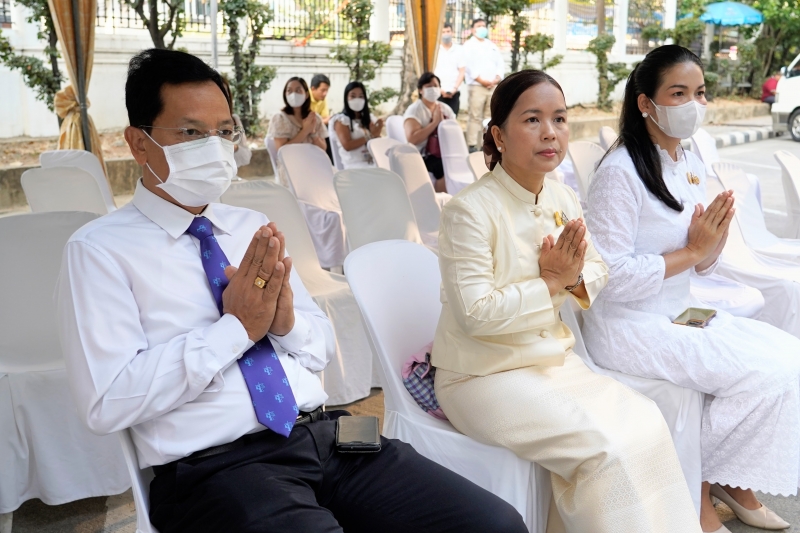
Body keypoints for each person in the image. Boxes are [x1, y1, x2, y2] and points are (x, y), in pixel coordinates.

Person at [56, 48, 530, 533]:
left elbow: (321, 347)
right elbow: (107, 400)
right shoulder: (100, 251)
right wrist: (234, 330)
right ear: (138, 143)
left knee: (495, 523)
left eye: (224, 132)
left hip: (331, 434)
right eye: (191, 133)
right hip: (220, 466)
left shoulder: (251, 226)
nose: (215, 148)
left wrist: (285, 324)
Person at [432, 69, 702, 533]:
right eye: (532, 119)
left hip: (554, 362)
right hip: (482, 375)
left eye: (559, 119)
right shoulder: (468, 212)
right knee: (605, 450)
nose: (550, 132)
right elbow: (476, 315)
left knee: (647, 423)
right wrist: (552, 285)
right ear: (498, 134)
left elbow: (598, 272)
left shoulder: (562, 196)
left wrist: (570, 280)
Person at [583, 45, 799, 533]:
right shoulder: (620, 172)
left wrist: (713, 242)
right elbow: (609, 279)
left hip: (679, 311)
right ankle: (700, 491)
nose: (692, 105)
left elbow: (700, 261)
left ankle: (727, 476)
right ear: (645, 103)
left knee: (791, 360)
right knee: (761, 374)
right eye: (677, 93)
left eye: (699, 93)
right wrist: (693, 253)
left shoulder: (688, 158)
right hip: (630, 324)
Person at [403, 72, 455, 193]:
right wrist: (434, 123)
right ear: (420, 90)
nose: (433, 89)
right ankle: (440, 202)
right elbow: (412, 139)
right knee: (442, 167)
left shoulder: (445, 108)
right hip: (422, 155)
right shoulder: (415, 110)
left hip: (444, 152)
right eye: (428, 86)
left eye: (436, 86)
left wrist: (444, 126)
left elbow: (454, 134)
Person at [462, 18, 504, 152]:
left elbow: (500, 64)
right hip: (477, 86)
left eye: (483, 26)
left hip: (492, 87)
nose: (482, 28)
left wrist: (496, 78)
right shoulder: (468, 45)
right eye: (479, 26)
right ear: (473, 29)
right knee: (475, 116)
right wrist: (481, 80)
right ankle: (472, 145)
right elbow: (468, 65)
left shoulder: (491, 45)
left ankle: (486, 144)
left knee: (489, 117)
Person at [267, 76, 327, 153]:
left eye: (298, 90)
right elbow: (282, 151)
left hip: (313, 162)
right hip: (290, 164)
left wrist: (313, 133)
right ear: (285, 94)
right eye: (289, 91)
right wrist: (305, 131)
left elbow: (323, 148)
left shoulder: (314, 118)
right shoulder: (280, 118)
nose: (294, 94)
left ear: (306, 95)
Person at [333, 81, 383, 169]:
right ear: (346, 98)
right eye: (353, 96)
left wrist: (377, 133)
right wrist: (370, 135)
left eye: (361, 96)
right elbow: (347, 145)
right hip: (353, 166)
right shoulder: (341, 120)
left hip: (372, 162)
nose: (357, 99)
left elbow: (377, 143)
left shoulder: (369, 118)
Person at [435, 23, 466, 115]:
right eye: (443, 32)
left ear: (452, 32)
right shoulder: (435, 50)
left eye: (448, 31)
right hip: (438, 92)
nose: (446, 34)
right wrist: (439, 89)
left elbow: (462, 71)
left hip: (454, 92)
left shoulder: (459, 50)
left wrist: (454, 89)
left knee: (452, 120)